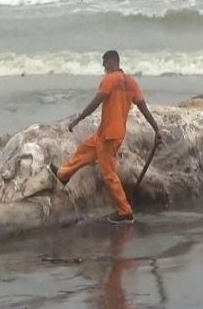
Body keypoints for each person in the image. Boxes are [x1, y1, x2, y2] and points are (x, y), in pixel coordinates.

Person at [50, 50, 161, 224]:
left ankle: (124, 211)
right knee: (86, 148)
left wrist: (78, 119)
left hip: (109, 135)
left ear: (110, 62)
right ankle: (64, 174)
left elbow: (96, 102)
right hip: (111, 133)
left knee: (109, 173)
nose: (103, 67)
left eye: (104, 64)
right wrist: (156, 128)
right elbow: (143, 108)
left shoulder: (109, 80)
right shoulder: (132, 82)